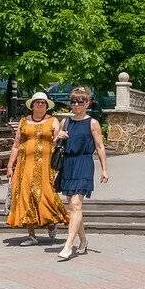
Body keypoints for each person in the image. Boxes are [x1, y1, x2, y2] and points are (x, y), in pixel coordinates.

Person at [53, 87, 110, 260]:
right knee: (72, 206)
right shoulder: (66, 122)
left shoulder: (92, 123)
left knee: (76, 204)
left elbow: (100, 147)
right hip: (68, 164)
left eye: (80, 102)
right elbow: (56, 146)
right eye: (74, 102)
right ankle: (83, 240)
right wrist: (58, 136)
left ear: (87, 103)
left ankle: (68, 244)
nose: (76, 105)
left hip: (84, 163)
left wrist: (104, 169)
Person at [6, 91, 68, 245]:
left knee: (47, 195)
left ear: (47, 106)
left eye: (43, 102)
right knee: (26, 196)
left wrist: (59, 137)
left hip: (45, 165)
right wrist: (10, 165)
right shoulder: (23, 122)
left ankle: (51, 222)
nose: (40, 104)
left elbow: (57, 142)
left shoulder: (53, 121)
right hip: (24, 165)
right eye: (37, 102)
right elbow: (16, 145)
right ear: (32, 105)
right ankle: (31, 235)